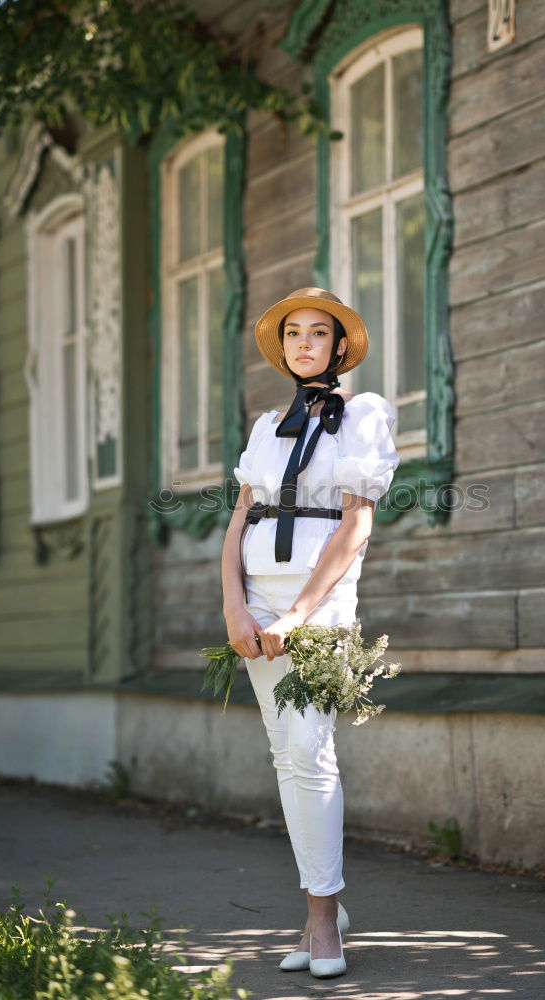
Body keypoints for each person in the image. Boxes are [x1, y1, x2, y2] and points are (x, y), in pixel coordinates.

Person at [221, 287, 400, 978]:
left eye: (316, 332)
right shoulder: (266, 424)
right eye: (291, 332)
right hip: (256, 601)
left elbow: (356, 523)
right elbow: (239, 520)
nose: (302, 342)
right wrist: (235, 607)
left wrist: (298, 614)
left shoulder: (364, 415)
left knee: (308, 745)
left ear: (338, 345)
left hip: (317, 602)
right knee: (284, 753)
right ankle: (322, 900)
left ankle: (322, 920)